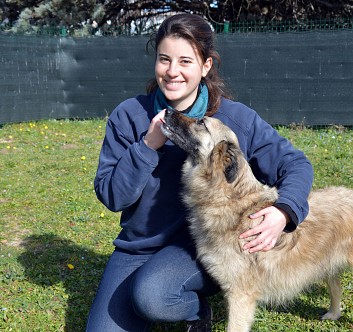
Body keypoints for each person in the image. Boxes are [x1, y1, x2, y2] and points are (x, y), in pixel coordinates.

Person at [86, 13, 313, 332]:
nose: (172, 71)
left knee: (152, 296)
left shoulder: (236, 120)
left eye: (185, 61)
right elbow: (113, 196)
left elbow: (296, 165)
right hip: (140, 246)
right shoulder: (129, 116)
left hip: (207, 247)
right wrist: (147, 146)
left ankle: (194, 307)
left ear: (205, 66)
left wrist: (283, 211)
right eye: (164, 59)